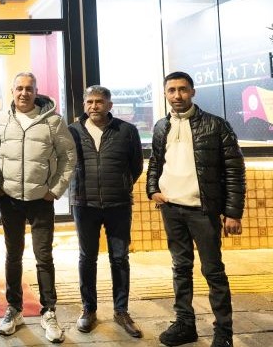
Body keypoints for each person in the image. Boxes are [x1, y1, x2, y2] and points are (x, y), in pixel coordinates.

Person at [147, 71, 245, 347]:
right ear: (165, 94)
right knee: (181, 268)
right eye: (171, 90)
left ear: (193, 92)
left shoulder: (216, 125)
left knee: (213, 271)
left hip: (203, 211)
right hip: (171, 208)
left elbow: (235, 169)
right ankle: (185, 324)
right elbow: (155, 162)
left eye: (182, 89)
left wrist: (233, 212)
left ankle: (223, 332)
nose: (177, 95)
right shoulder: (161, 126)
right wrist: (153, 189)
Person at [0, 71, 76, 343]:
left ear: (36, 91)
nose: (24, 93)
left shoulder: (53, 121)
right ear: (12, 91)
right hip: (10, 199)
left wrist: (55, 189)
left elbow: (68, 157)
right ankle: (14, 309)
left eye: (29, 88)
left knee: (43, 256)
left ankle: (49, 311)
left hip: (41, 200)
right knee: (13, 255)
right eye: (19, 88)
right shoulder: (0, 119)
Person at [68, 85, 144, 338]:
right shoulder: (72, 131)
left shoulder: (127, 131)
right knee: (87, 257)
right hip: (84, 203)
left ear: (110, 105)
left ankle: (121, 311)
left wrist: (121, 186)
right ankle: (88, 309)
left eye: (99, 101)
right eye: (89, 102)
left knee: (120, 258)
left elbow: (136, 166)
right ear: (84, 105)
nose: (94, 106)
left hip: (118, 204)